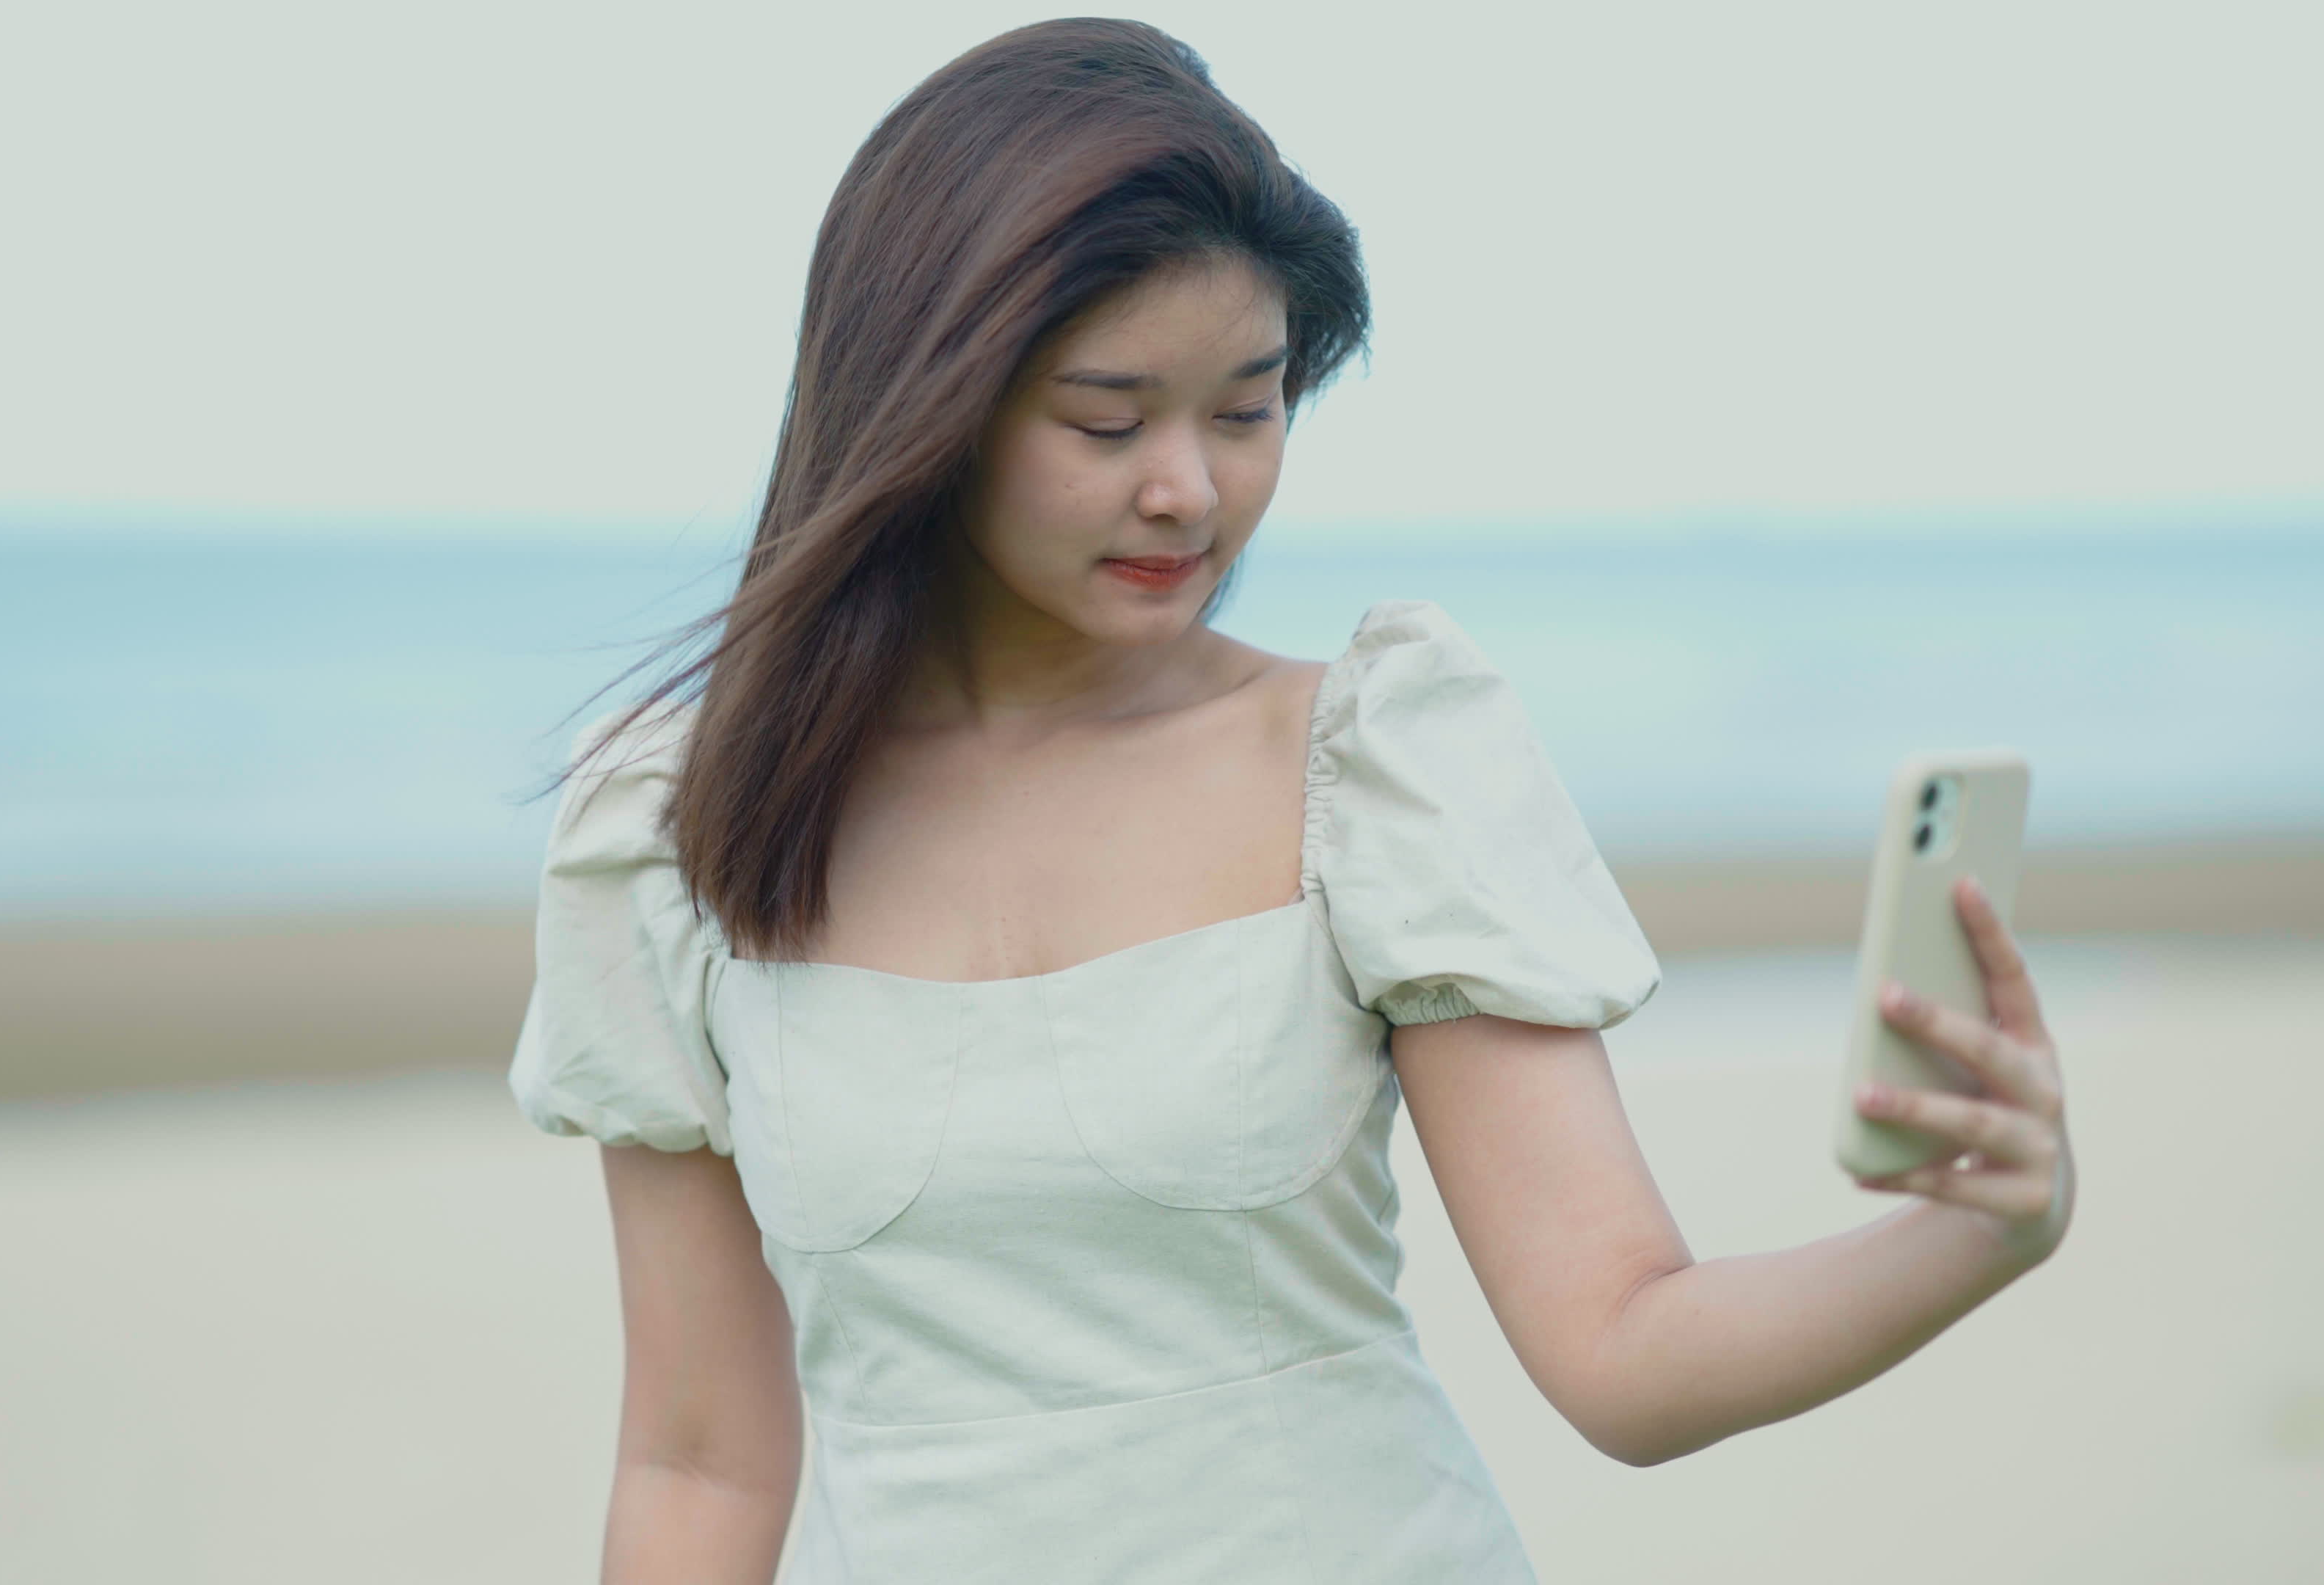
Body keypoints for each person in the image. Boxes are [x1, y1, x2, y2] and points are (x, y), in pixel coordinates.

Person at [508, 18, 2075, 1583]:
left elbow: (1624, 1349)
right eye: (1107, 420)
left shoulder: (1367, 758)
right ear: (924, 408)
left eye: (1248, 411)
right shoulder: (681, 825)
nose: (1190, 488)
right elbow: (698, 1463)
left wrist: (1975, 1231)